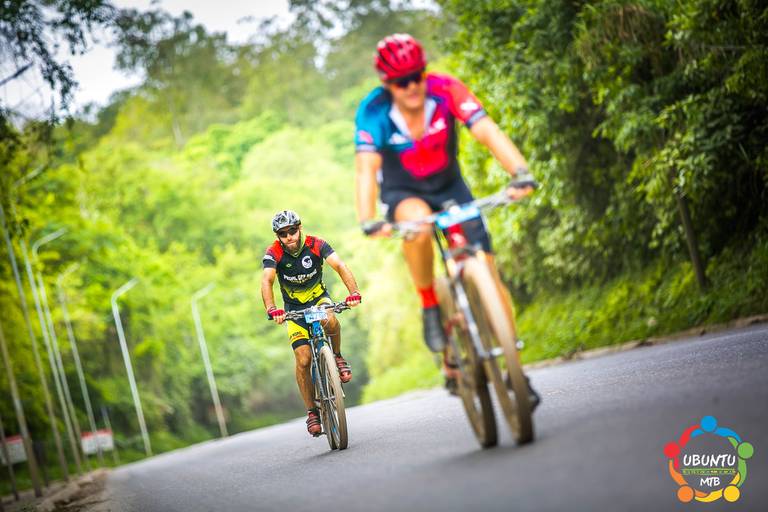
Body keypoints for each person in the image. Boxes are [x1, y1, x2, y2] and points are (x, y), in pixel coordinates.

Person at [354, 33, 539, 407]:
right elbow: (365, 168)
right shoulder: (373, 111)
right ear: (387, 84)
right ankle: (429, 302)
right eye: (402, 81)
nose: (412, 87)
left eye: (417, 76)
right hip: (404, 192)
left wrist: (520, 172)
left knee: (488, 270)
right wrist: (368, 218)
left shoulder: (445, 89)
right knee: (419, 225)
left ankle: (514, 369)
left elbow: (486, 130)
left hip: (450, 185)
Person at [262, 210, 362, 436]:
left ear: (300, 228)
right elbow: (267, 280)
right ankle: (312, 412)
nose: (289, 236)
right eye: (283, 233)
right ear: (278, 236)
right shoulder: (273, 252)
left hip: (318, 300)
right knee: (303, 359)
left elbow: (339, 265)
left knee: (330, 320)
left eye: (292, 230)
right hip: (293, 310)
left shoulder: (316, 244)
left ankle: (337, 356)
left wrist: (354, 292)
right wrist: (272, 309)